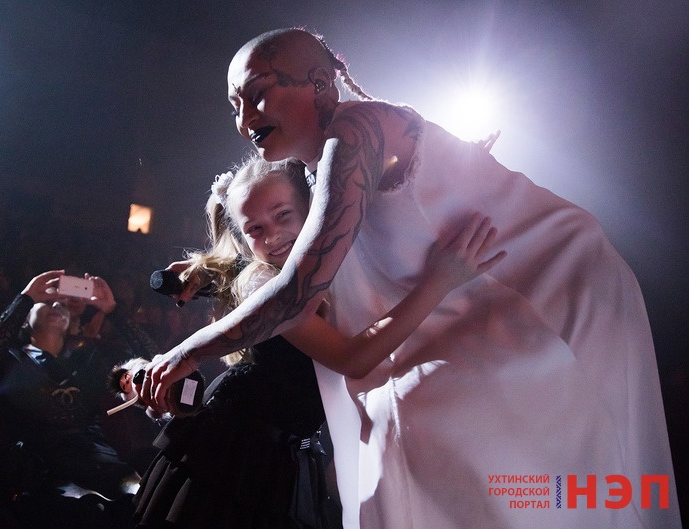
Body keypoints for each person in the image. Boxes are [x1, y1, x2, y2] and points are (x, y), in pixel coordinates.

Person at [141, 28, 680, 528]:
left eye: (258, 94)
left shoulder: (356, 131)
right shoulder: (319, 166)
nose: (244, 120)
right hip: (471, 309)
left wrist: (188, 351)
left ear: (321, 84)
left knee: (575, 462)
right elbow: (289, 266)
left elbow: (298, 288)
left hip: (552, 286)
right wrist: (210, 273)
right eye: (235, 105)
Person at [131, 156, 504, 529]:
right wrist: (439, 282)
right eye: (255, 229)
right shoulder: (260, 281)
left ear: (313, 210)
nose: (273, 236)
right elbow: (352, 359)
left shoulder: (329, 268)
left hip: (290, 447)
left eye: (283, 215)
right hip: (235, 448)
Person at [0, 270, 159, 529]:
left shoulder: (88, 359)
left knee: (145, 496)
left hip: (96, 459)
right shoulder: (14, 360)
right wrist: (25, 298)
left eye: (61, 304)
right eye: (47, 302)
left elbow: (154, 361)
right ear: (25, 320)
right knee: (86, 509)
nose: (56, 306)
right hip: (39, 468)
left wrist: (112, 310)